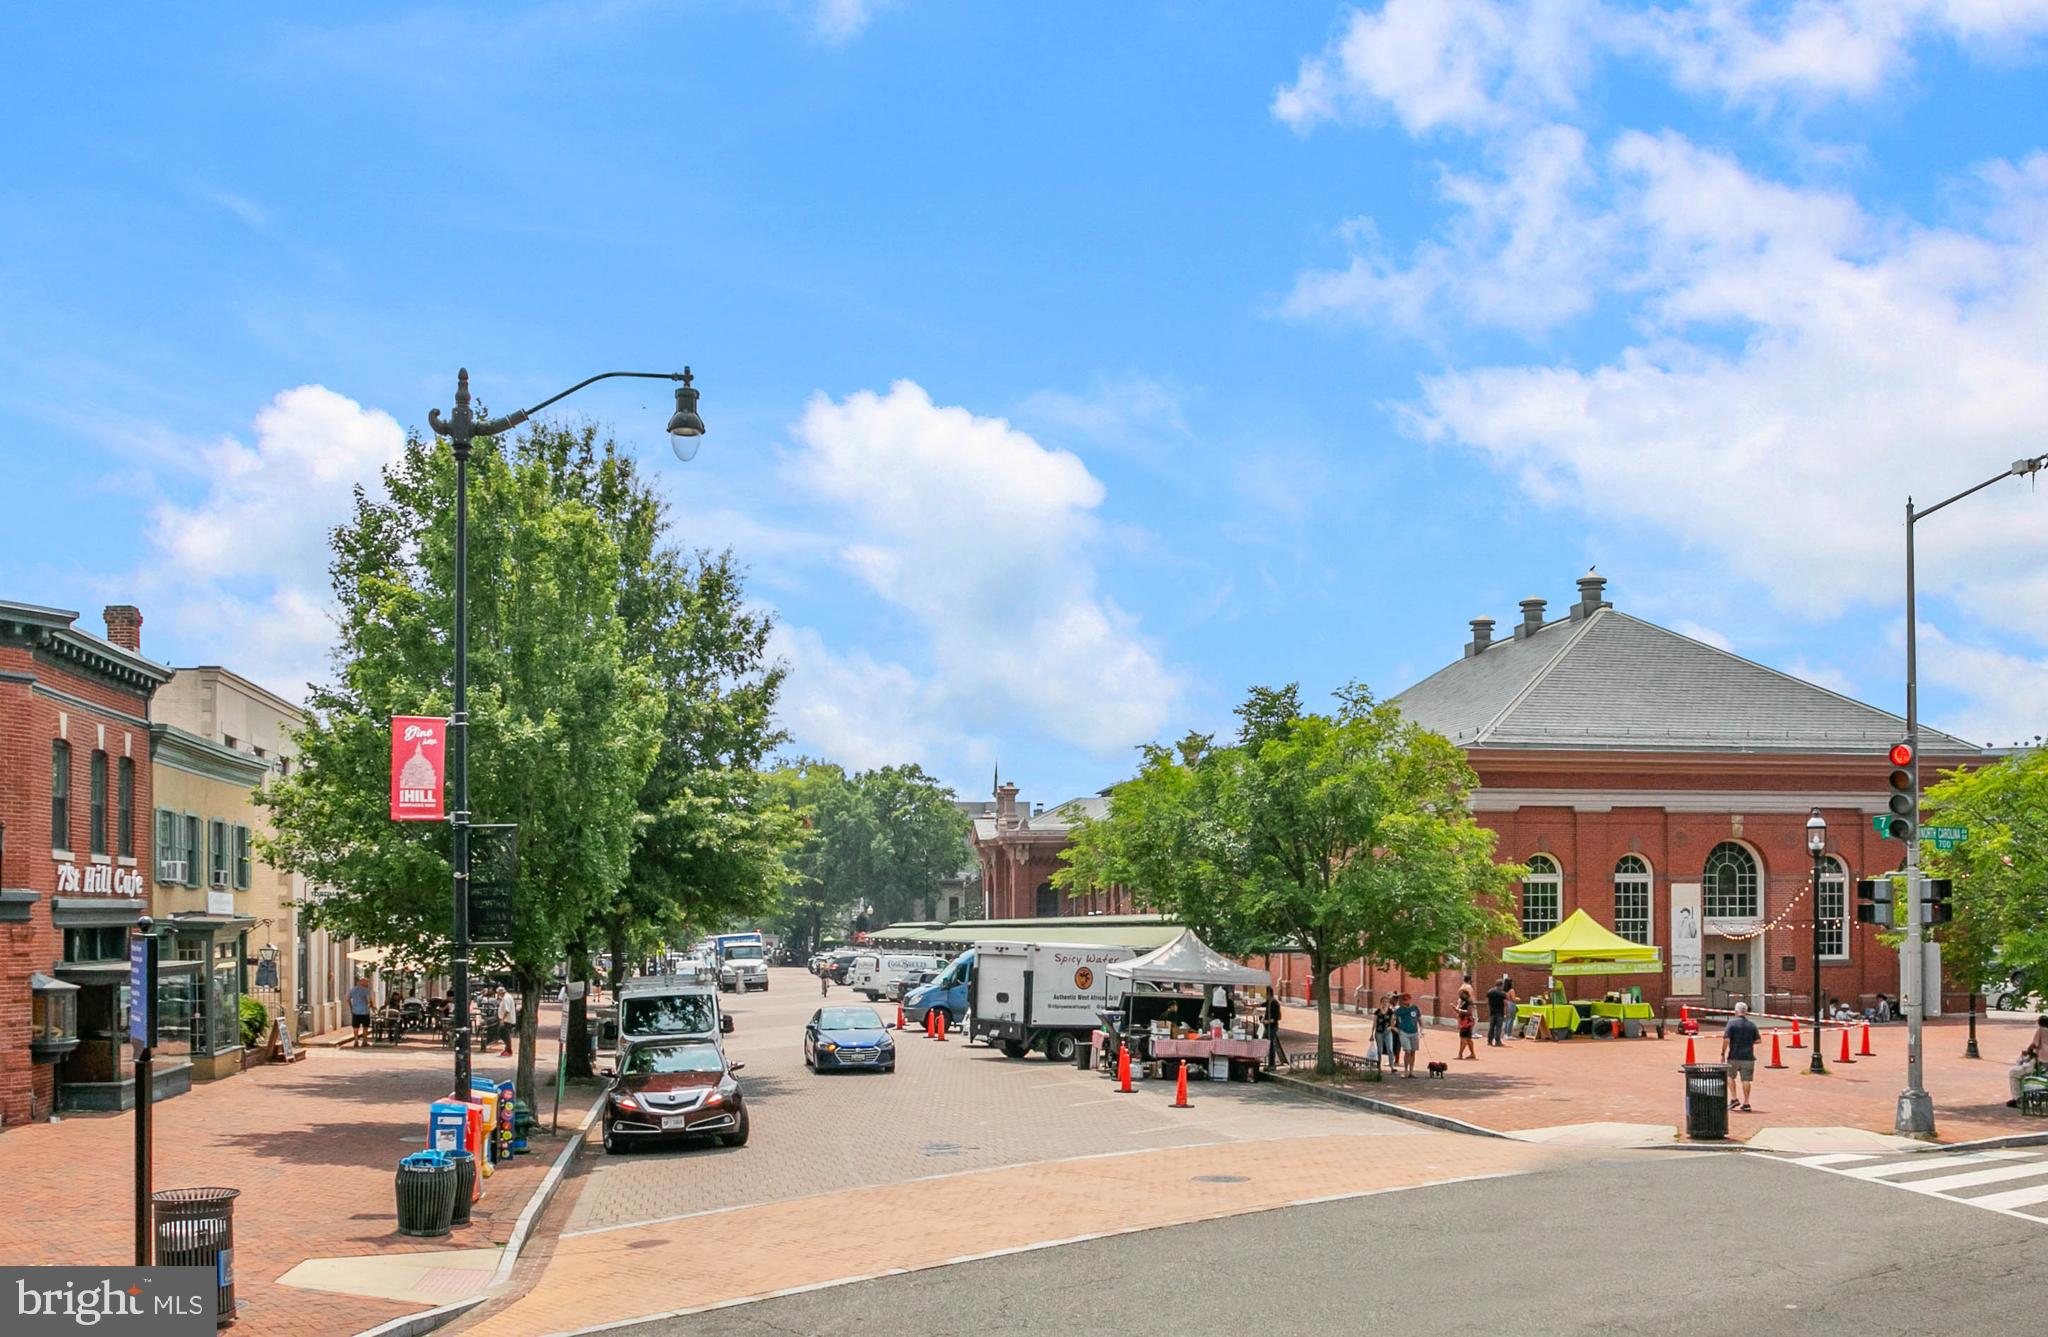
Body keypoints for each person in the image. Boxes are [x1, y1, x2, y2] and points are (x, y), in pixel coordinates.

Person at [1722, 1001, 1761, 1112]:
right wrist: (1749, 1042)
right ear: (1746, 1012)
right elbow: (1758, 1040)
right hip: (1748, 1057)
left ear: (1736, 1011)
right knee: (1746, 1079)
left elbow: (1726, 1039)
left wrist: (1722, 1053)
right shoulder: (1752, 1025)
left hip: (1734, 1056)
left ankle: (1734, 1098)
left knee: (1730, 1076)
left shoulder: (1731, 1024)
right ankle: (1746, 1102)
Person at [2007, 1014, 2048, 1108]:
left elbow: (2034, 1045)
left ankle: (2018, 1099)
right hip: (2044, 1066)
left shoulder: (2041, 1031)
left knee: (2014, 1073)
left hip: (2041, 1065)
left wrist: (2027, 1052)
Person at [1394, 992, 1423, 1077]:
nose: (1406, 1002)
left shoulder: (1415, 1008)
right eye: (1404, 1000)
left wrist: (1421, 1029)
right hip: (1404, 1032)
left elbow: (1420, 1019)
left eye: (1407, 1000)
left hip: (1414, 1032)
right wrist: (1395, 1028)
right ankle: (1405, 1071)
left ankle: (1411, 1071)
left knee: (1413, 1051)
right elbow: (1393, 1019)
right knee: (1407, 1050)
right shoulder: (1399, 1010)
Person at [1264, 989, 1287, 1070]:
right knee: (1268, 1044)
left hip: (1272, 1027)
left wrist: (1267, 1021)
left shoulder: (1274, 1003)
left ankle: (1272, 1064)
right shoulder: (1269, 1002)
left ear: (1268, 994)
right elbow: (1262, 1004)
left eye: (1265, 995)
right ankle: (1270, 1063)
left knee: (1270, 1046)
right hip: (1268, 1026)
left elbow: (1275, 1018)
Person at [1372, 995, 1395, 1070]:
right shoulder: (1377, 1012)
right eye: (1383, 1002)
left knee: (1390, 1049)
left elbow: (1393, 1021)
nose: (1385, 1004)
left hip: (1388, 1032)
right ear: (1380, 1003)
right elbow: (1374, 1023)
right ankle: (1379, 1066)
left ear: (1388, 1003)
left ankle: (1392, 1067)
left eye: (1386, 1002)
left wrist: (1391, 1027)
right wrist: (1371, 1034)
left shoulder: (1391, 1012)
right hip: (1379, 1032)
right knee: (1379, 1050)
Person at [348, 977, 372, 1047]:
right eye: (366, 982)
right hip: (364, 1011)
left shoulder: (353, 989)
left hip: (355, 1011)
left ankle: (356, 1040)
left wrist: (351, 1007)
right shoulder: (366, 990)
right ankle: (364, 1041)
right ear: (362, 982)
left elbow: (348, 999)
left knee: (355, 1027)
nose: (367, 984)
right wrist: (370, 1005)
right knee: (365, 1027)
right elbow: (368, 1000)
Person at [498, 985, 521, 1057]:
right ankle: (507, 1048)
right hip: (507, 1019)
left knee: (504, 1034)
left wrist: (502, 1019)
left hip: (507, 1020)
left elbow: (507, 1010)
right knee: (503, 1033)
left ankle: (508, 1049)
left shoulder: (506, 998)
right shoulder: (506, 997)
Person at [1486, 976, 1509, 1047]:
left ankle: (1489, 1041)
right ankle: (1497, 1041)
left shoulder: (1490, 991)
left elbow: (1487, 1002)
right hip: (1500, 1012)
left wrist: (1488, 1010)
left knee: (1491, 1027)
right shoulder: (1503, 993)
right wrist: (1506, 1012)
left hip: (1492, 1012)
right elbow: (1505, 1003)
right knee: (1498, 1027)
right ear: (1501, 985)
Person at [1456, 986, 1477, 1060]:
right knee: (1468, 1038)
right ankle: (1472, 1054)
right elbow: (1459, 1011)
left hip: (1467, 1022)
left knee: (1463, 1038)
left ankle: (1460, 1054)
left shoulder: (1469, 1001)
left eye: (1461, 994)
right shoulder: (1463, 1001)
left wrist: (1459, 1010)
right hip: (1464, 1021)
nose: (1460, 996)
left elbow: (1469, 1012)